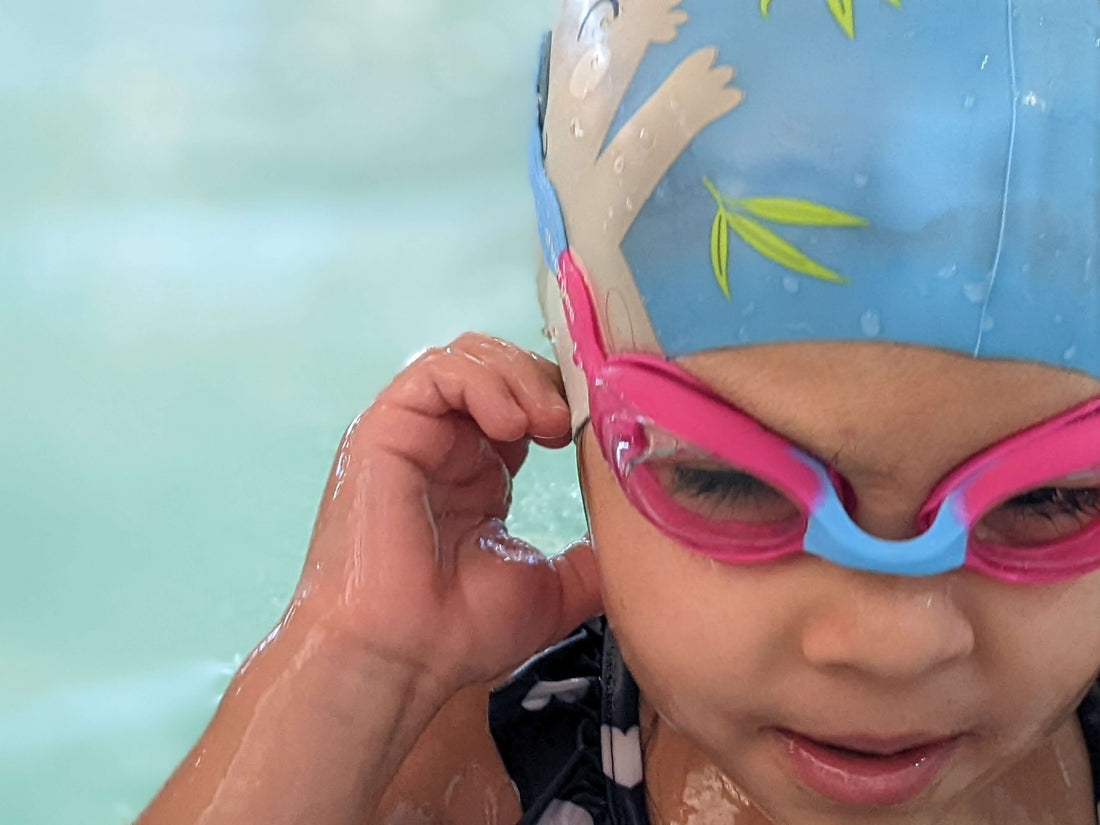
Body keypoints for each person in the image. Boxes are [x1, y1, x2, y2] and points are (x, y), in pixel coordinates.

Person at [137, 0, 1100, 823]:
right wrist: (351, 658)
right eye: (728, 480)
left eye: (1056, 497)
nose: (892, 642)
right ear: (575, 399)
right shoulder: (486, 772)